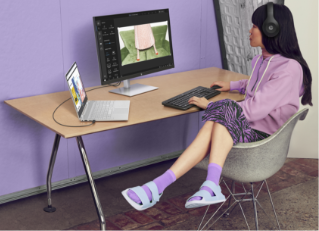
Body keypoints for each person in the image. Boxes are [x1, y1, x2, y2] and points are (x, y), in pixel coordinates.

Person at [121, 3, 313, 211]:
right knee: (219, 118)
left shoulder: (289, 69)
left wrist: (210, 104)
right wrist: (233, 85)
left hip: (262, 138)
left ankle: (162, 187)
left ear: (271, 29)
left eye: (255, 26)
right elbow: (258, 85)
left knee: (224, 111)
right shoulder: (262, 60)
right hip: (247, 126)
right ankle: (175, 186)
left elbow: (254, 109)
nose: (249, 31)